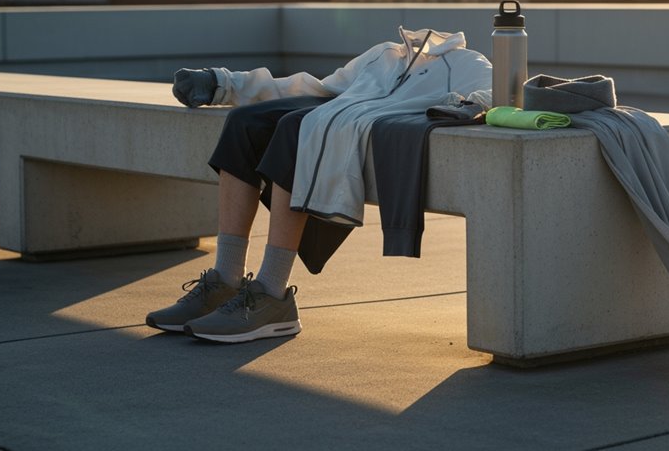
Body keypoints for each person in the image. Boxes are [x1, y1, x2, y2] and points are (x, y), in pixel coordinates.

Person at [146, 28, 492, 343]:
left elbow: (495, 93)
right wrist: (224, 84)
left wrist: (461, 107)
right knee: (243, 123)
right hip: (341, 113)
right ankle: (225, 278)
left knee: (298, 128)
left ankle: (272, 293)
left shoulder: (465, 61)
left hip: (369, 129)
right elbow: (317, 88)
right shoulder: (386, 53)